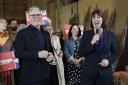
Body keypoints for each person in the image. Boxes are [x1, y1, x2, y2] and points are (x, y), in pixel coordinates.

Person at [15, 6, 54, 85]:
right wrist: (37, 54)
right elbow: (18, 53)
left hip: (45, 75)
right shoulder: (22, 33)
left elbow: (49, 49)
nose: (36, 17)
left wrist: (50, 56)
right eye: (33, 15)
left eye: (38, 15)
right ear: (29, 17)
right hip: (30, 76)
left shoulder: (46, 33)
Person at [78, 9, 118, 85]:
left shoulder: (110, 35)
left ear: (102, 19)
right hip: (89, 74)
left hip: (105, 74)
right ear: (91, 21)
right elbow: (80, 53)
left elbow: (115, 53)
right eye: (93, 17)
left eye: (98, 17)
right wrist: (92, 42)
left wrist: (108, 61)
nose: (96, 19)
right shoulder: (86, 35)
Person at [43, 18, 65, 85]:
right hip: (45, 65)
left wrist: (61, 52)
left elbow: (59, 48)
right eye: (47, 25)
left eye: (50, 25)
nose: (49, 27)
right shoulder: (41, 37)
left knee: (56, 81)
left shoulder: (56, 38)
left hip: (56, 64)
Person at [0, 18, 13, 85]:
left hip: (7, 62)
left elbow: (12, 48)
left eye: (5, 22)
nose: (5, 24)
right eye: (2, 22)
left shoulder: (9, 35)